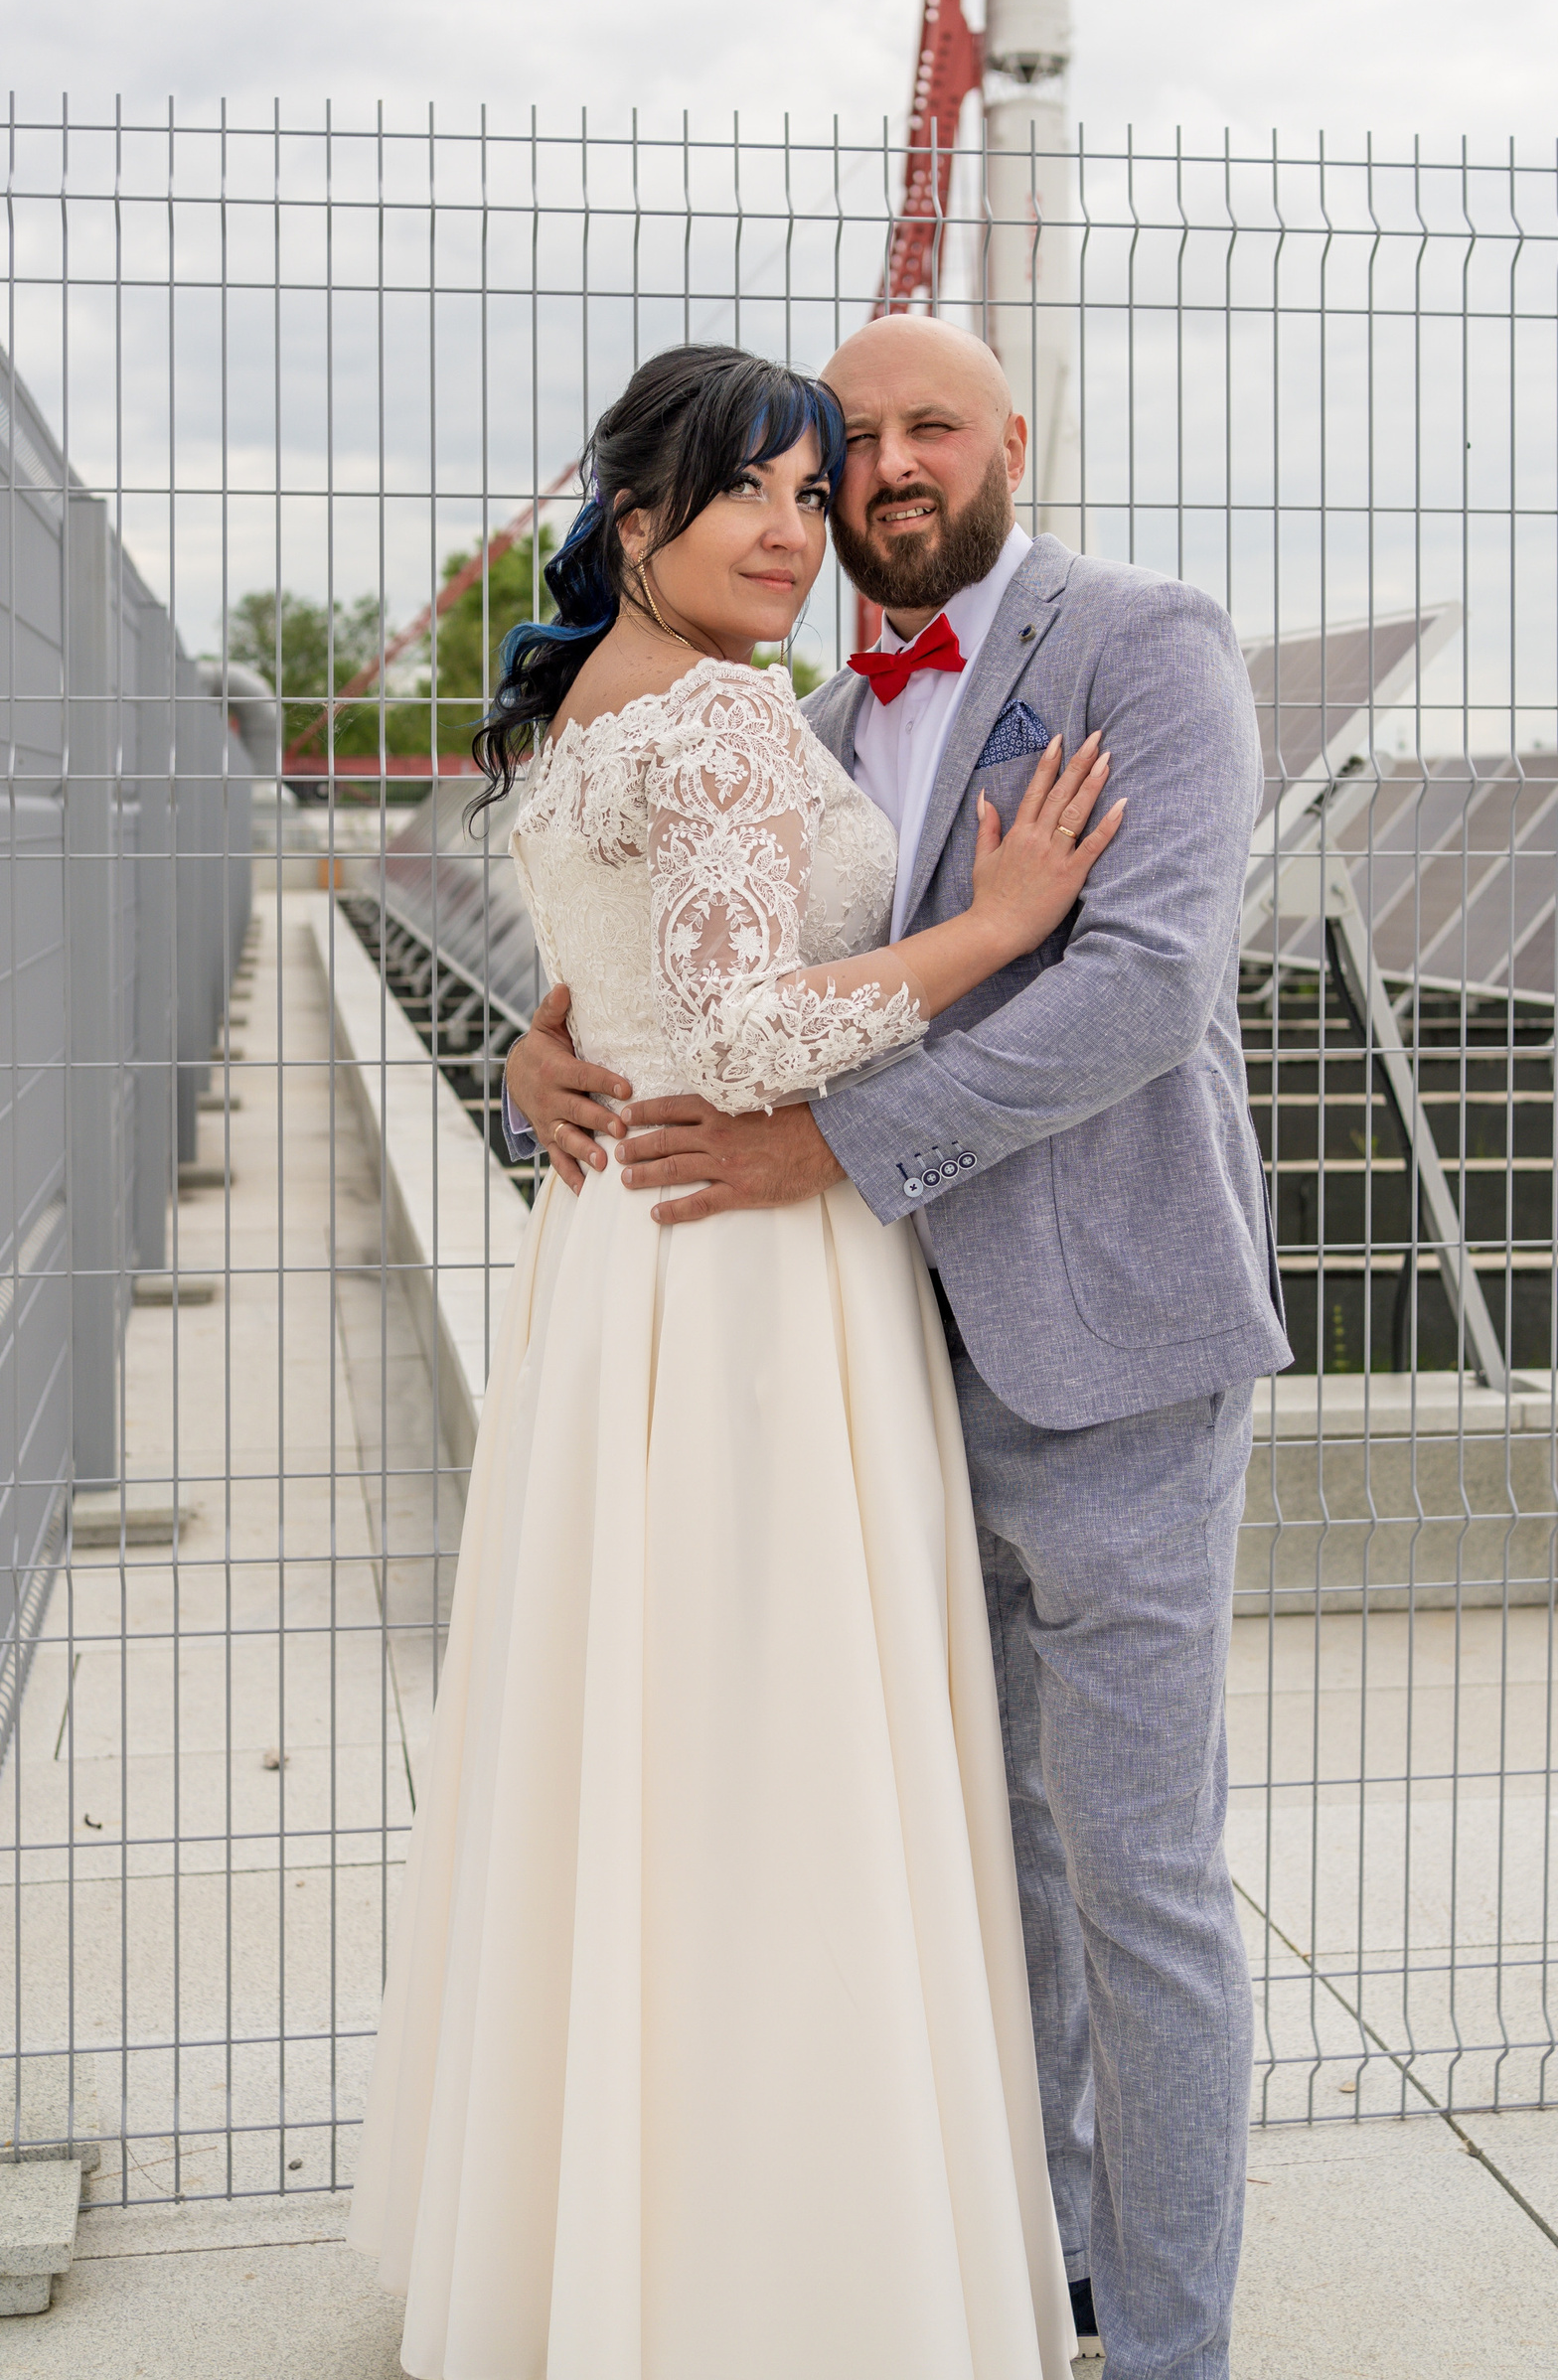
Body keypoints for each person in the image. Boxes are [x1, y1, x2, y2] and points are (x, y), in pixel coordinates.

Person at [507, 314, 1292, 2380]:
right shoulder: (824, 705)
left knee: (1137, 1882)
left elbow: (1142, 987)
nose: (882, 469)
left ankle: (1173, 2344)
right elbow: (722, 960)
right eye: (844, 441)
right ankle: (1036, 2272)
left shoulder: (1145, 641)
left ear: (1014, 435)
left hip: (1107, 1347)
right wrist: (543, 1048)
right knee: (973, 1862)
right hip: (875, 1365)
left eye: (928, 425)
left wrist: (832, 1150)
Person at [348, 342, 1124, 2380]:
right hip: (751, 1269)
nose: (796, 531)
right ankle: (791, 2273)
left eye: (808, 490)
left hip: (632, 1264)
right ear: (637, 523)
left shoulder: (591, 710)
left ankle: (628, 2241)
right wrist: (1002, 920)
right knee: (775, 1747)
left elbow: (607, 989)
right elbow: (755, 1030)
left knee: (649, 1744)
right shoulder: (704, 717)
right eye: (748, 494)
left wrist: (538, 1048)